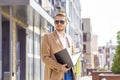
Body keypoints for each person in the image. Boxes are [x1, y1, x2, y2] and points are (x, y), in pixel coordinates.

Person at [41, 11, 76, 80]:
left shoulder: (69, 39)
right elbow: (45, 58)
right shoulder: (47, 37)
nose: (59, 23)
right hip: (55, 76)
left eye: (62, 22)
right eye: (56, 22)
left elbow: (72, 55)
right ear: (54, 23)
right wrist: (60, 67)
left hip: (69, 74)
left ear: (66, 23)